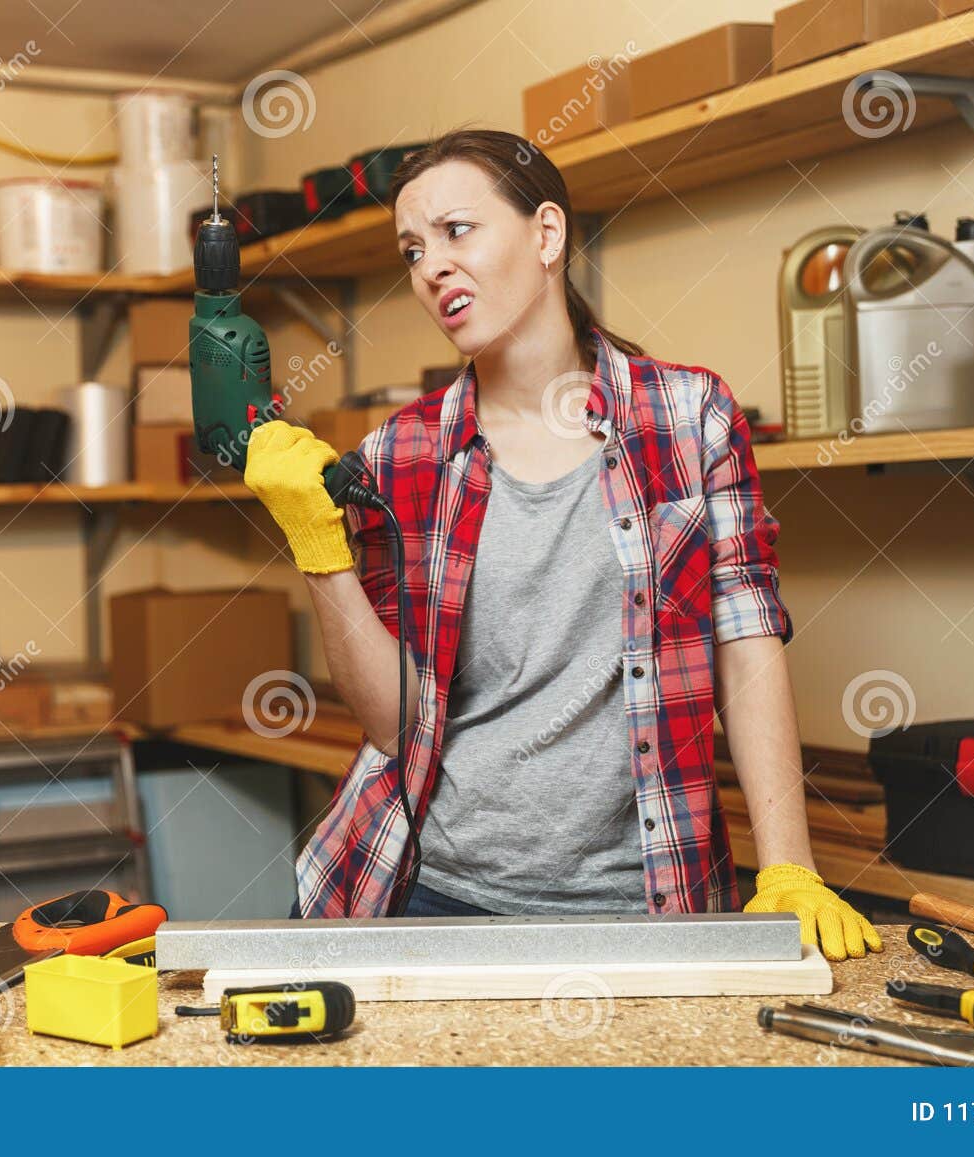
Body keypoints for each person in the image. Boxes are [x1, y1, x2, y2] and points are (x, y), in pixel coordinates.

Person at [245, 129, 881, 962]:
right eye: (411, 248)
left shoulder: (689, 419)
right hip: (431, 891)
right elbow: (397, 726)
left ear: (547, 234)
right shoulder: (401, 454)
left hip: (646, 897)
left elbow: (746, 637)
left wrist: (790, 866)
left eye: (456, 231)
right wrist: (318, 553)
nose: (430, 266)